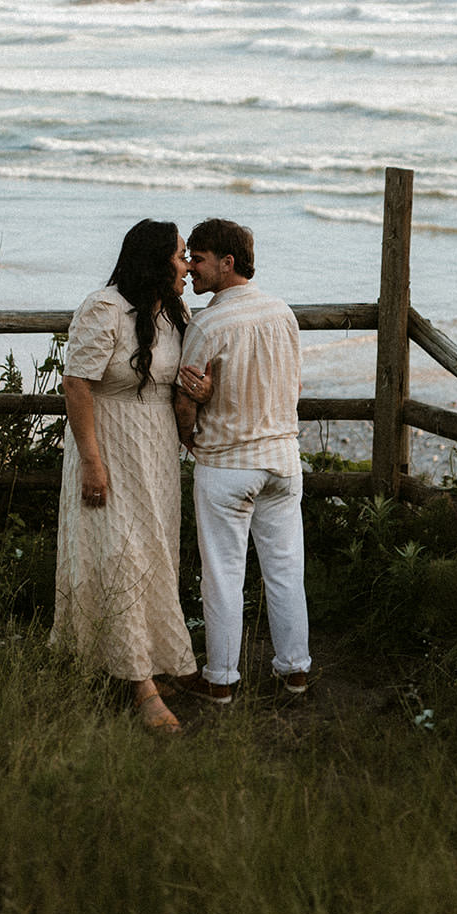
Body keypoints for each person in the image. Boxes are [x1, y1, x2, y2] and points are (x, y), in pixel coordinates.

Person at [51, 219, 199, 732]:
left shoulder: (171, 313)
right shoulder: (104, 307)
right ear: (155, 260)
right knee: (119, 552)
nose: (188, 264)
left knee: (156, 551)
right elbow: (76, 384)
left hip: (155, 449)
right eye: (181, 254)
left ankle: (155, 659)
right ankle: (140, 685)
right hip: (108, 444)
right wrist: (92, 461)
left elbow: (175, 382)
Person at [175, 218, 311, 703]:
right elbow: (294, 388)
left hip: (227, 465)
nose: (190, 268)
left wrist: (189, 439)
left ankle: (222, 681)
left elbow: (186, 401)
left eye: (199, 258)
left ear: (227, 263)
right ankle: (295, 671)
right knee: (285, 568)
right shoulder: (283, 313)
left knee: (223, 576)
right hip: (282, 459)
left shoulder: (208, 323)